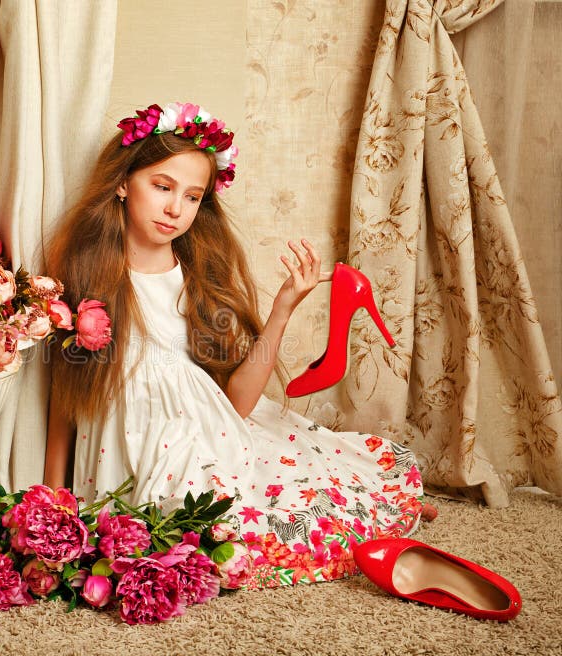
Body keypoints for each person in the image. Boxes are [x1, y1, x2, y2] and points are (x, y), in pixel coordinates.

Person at [43, 102, 427, 587]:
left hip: (201, 439)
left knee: (264, 521)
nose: (174, 209)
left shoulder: (197, 280)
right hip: (119, 447)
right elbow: (66, 394)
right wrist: (52, 495)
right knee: (154, 545)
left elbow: (236, 404)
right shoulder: (84, 273)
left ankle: (378, 500)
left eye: (192, 196)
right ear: (123, 183)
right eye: (161, 186)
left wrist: (283, 308)